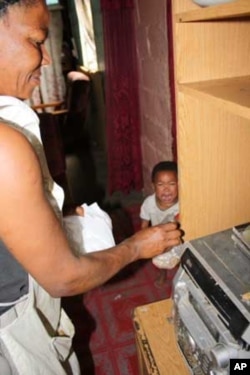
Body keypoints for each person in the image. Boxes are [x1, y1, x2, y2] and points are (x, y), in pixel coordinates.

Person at [0, 1, 182, 374]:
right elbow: (65, 277)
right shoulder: (4, 148)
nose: (47, 60)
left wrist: (52, 216)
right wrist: (135, 247)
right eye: (36, 40)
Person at [140, 161, 179, 229]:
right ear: (153, 186)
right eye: (160, 184)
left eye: (172, 184)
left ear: (179, 184)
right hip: (156, 235)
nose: (166, 189)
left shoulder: (183, 205)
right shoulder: (149, 203)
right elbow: (144, 226)